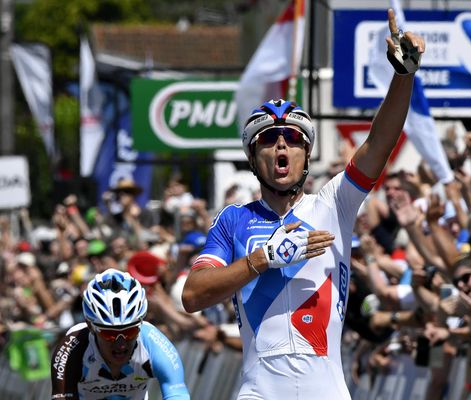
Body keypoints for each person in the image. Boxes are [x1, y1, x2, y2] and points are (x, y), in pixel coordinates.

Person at [181, 9, 424, 400]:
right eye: (269, 138)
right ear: (252, 158)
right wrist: (261, 260)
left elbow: (378, 143)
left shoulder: (333, 204)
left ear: (307, 156)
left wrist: (403, 77)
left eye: (292, 138)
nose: (281, 145)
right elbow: (193, 295)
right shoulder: (233, 220)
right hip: (259, 391)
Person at [50, 269, 190, 399]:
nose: (121, 344)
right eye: (109, 334)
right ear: (90, 327)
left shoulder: (151, 342)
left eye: (130, 331)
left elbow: (177, 393)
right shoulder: (73, 347)